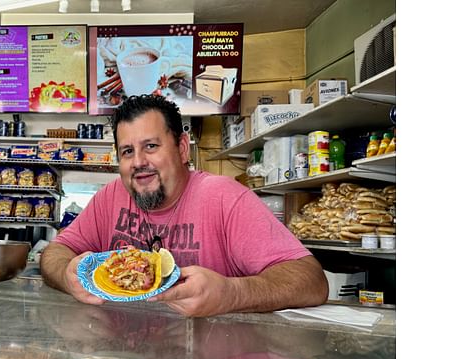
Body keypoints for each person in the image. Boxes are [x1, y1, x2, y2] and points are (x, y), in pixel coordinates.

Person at [40, 95, 328, 317]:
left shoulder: (225, 198)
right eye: (128, 151)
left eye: (151, 146)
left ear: (181, 148)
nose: (139, 161)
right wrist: (67, 276)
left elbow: (311, 280)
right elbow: (55, 252)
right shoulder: (110, 197)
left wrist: (233, 293)